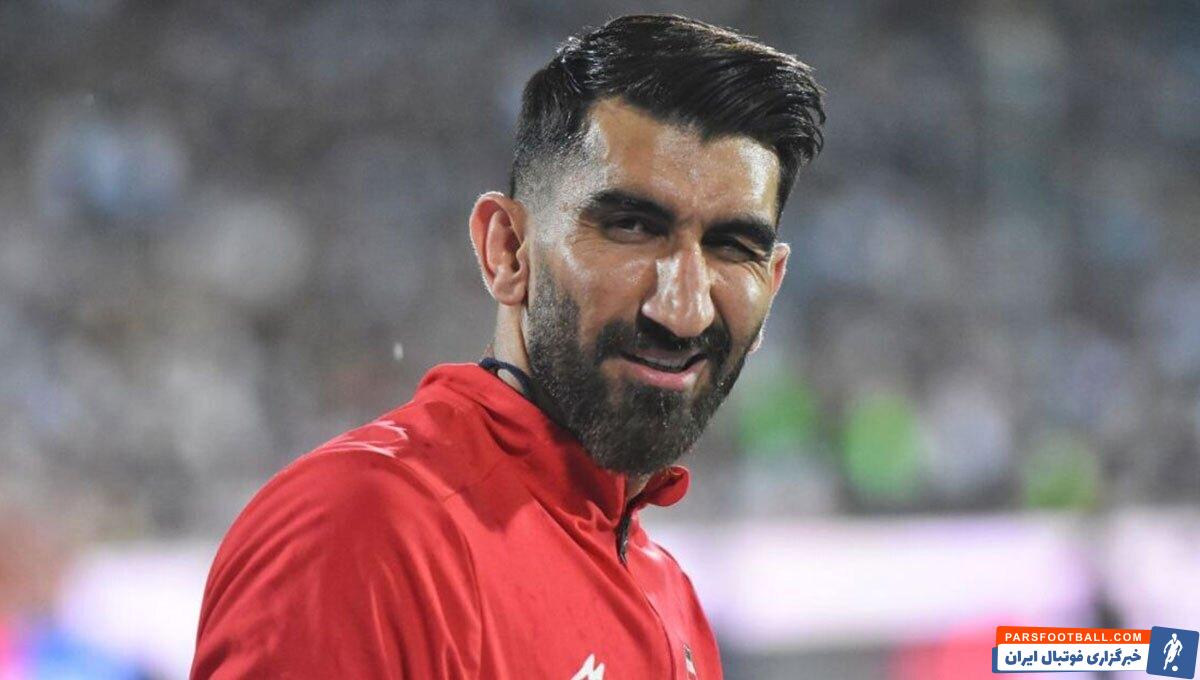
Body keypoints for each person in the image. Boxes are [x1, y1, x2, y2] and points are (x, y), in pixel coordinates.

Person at [190, 13, 824, 679]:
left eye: (733, 247)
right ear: (508, 250)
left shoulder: (668, 595)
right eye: (633, 227)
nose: (684, 309)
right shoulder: (366, 531)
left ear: (773, 283)